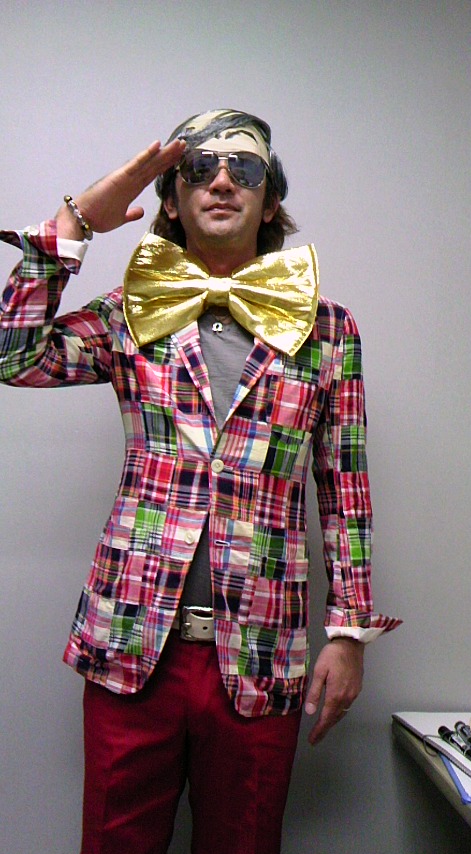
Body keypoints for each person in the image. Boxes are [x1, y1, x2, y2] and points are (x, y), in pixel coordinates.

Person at [0, 109, 400, 854]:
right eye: (198, 169)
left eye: (244, 170)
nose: (221, 181)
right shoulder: (128, 315)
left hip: (262, 653)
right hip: (130, 644)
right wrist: (78, 220)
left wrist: (350, 634)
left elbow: (345, 488)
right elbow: (13, 356)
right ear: (172, 199)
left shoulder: (329, 331)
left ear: (269, 202)